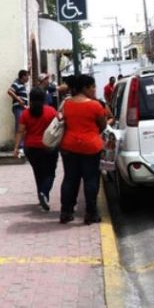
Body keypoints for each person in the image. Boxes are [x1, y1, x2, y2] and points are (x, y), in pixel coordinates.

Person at [58, 74, 108, 225]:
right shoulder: (95, 105)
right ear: (85, 88)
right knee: (91, 180)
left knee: (69, 179)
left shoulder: (67, 104)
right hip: (90, 147)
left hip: (69, 146)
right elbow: (103, 125)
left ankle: (66, 212)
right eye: (93, 87)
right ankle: (91, 213)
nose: (94, 90)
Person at [13, 88, 59, 211]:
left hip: (31, 148)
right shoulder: (51, 111)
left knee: (38, 173)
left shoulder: (26, 113)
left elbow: (20, 131)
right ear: (44, 98)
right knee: (50, 173)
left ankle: (42, 197)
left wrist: (16, 147)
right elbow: (59, 125)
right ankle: (44, 193)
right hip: (48, 147)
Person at [7, 70, 30, 153]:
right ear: (23, 76)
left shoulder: (23, 85)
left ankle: (22, 145)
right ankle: (19, 147)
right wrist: (19, 99)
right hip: (18, 108)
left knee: (23, 127)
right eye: (27, 76)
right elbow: (9, 91)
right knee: (19, 127)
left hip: (23, 108)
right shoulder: (16, 83)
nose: (28, 78)